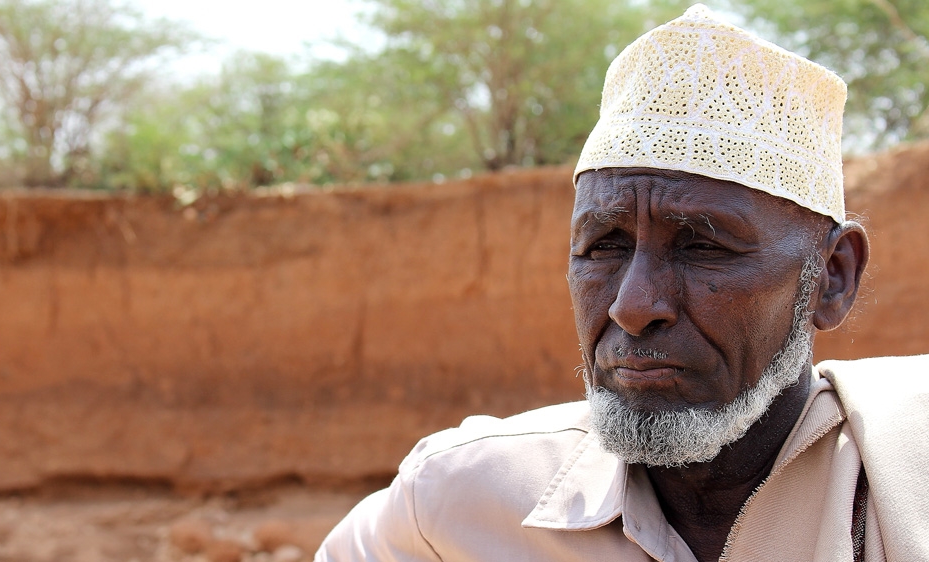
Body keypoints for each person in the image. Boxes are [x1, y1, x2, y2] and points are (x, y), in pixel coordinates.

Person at [315, 5, 929, 561]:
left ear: (832, 276)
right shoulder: (459, 500)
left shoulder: (905, 478)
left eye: (704, 246)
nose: (633, 306)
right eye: (603, 246)